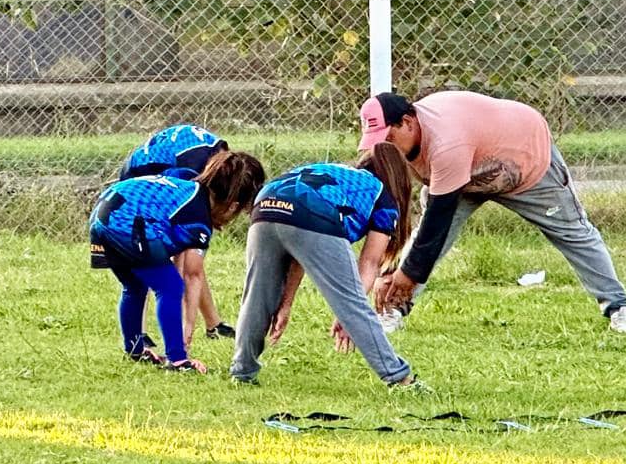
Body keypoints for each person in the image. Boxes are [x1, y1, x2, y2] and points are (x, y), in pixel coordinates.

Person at [359, 91, 626, 334]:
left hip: (524, 161)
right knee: (427, 244)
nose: (384, 148)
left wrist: (406, 274)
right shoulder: (401, 145)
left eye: (388, 137)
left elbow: (437, 223)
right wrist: (390, 270)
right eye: (377, 142)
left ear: (408, 123)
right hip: (466, 173)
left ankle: (619, 307)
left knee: (574, 233)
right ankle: (393, 309)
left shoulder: (447, 140)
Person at [230, 144, 420, 388]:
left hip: (266, 202)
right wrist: (349, 313)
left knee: (256, 295)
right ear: (399, 178)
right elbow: (370, 262)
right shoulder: (382, 196)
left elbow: (299, 249)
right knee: (352, 302)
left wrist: (285, 302)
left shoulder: (339, 174)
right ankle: (399, 378)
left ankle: (242, 372)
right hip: (313, 212)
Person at [89, 151, 265, 373]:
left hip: (102, 216)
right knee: (170, 287)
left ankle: (135, 349)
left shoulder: (187, 184)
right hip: (126, 222)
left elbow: (177, 259)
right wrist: (185, 339)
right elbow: (192, 274)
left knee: (134, 286)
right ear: (232, 204)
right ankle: (177, 360)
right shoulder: (198, 219)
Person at [119, 124, 236, 339]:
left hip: (165, 170)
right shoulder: (191, 172)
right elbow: (182, 265)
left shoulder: (217, 159)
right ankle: (141, 334)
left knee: (194, 258)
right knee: (147, 261)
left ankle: (214, 324)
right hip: (137, 185)